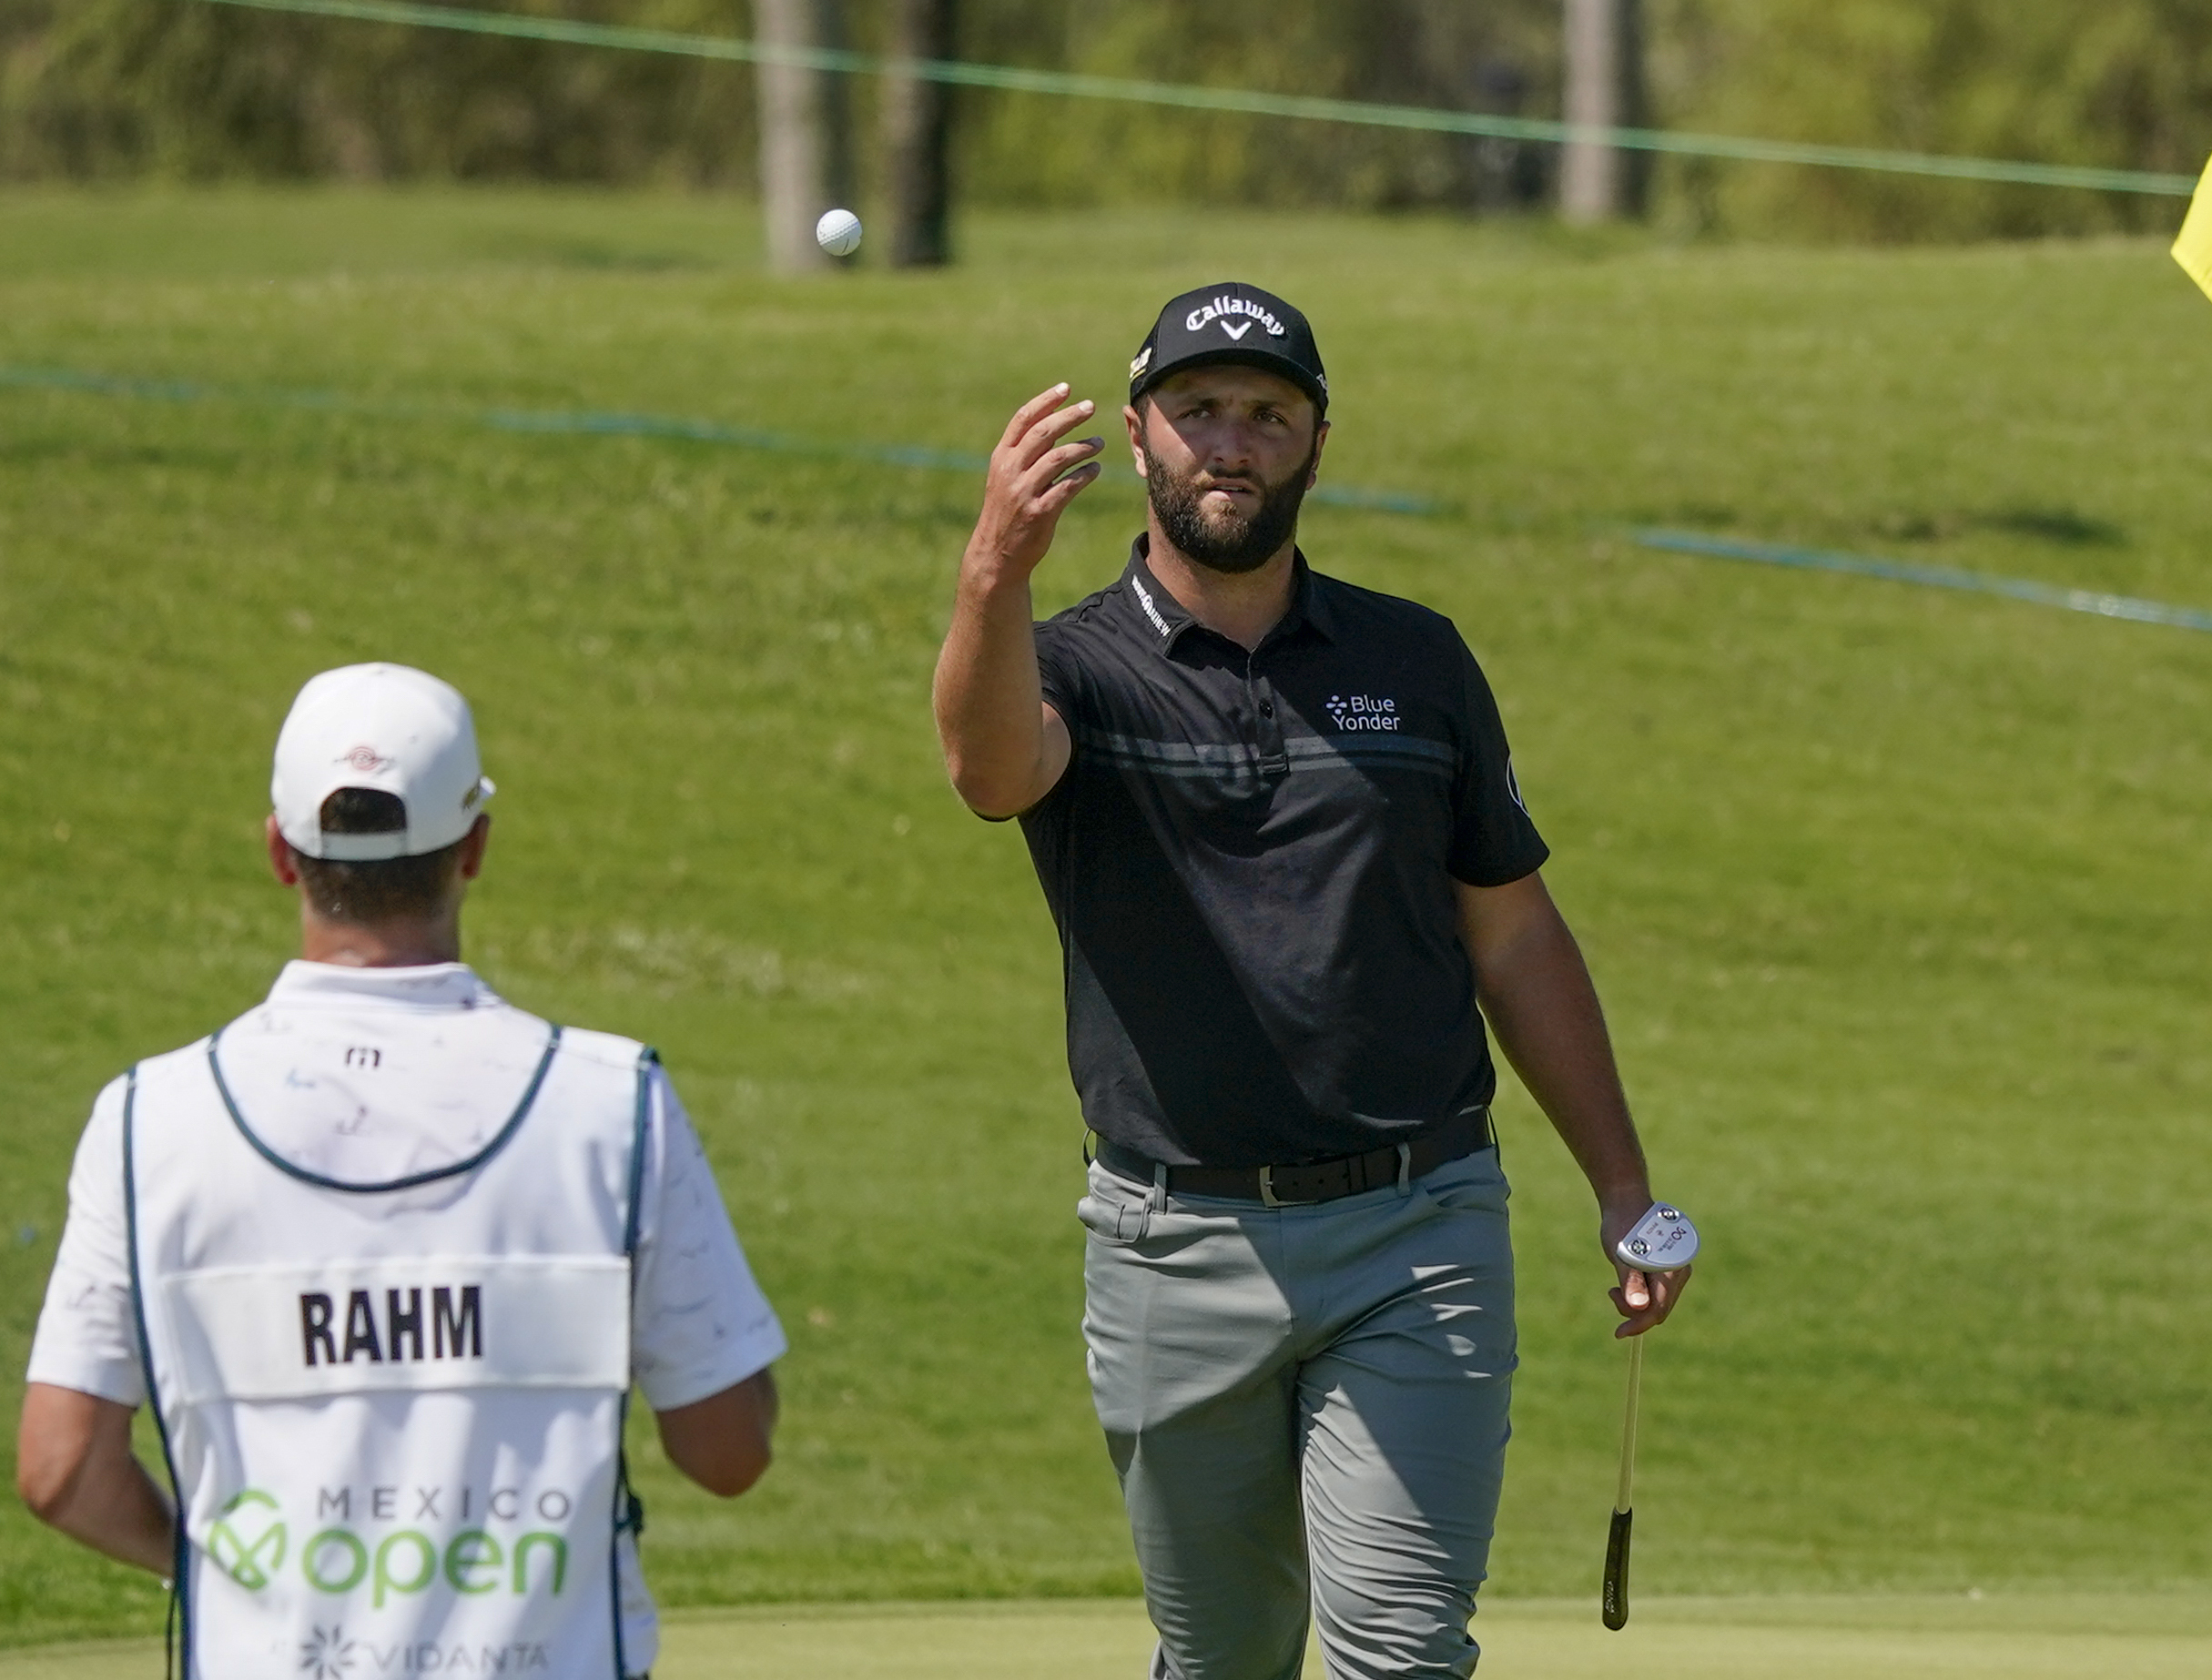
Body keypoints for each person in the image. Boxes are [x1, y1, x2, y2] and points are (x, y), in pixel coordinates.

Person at [932, 282, 1689, 1679]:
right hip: (1172, 1240)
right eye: (1200, 409)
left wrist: (1624, 1185)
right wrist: (992, 573)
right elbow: (988, 772)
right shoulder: (1076, 667)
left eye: (1267, 416)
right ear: (1144, 434)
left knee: (1400, 1653)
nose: (1232, 441)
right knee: (1223, 1659)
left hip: (1419, 1226)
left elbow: (1513, 935)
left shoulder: (1415, 660)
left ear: (1316, 445)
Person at [16, 663, 786, 1679]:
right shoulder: (610, 1103)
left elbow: (61, 1468)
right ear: (473, 847)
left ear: (282, 856)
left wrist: (218, 1571)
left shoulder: (147, 1119)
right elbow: (728, 1453)